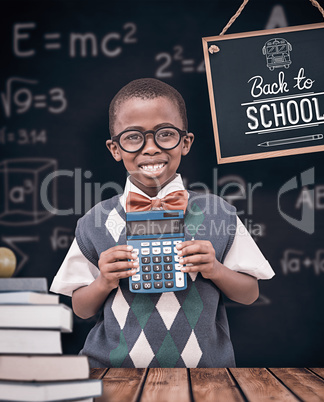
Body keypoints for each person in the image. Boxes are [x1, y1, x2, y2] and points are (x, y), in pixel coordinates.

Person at [50, 78, 274, 368]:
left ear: (186, 142)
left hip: (206, 376)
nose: (151, 148)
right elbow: (81, 308)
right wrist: (104, 281)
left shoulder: (219, 213)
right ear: (115, 149)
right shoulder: (94, 221)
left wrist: (214, 269)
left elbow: (249, 293)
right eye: (133, 137)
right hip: (112, 373)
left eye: (165, 134)